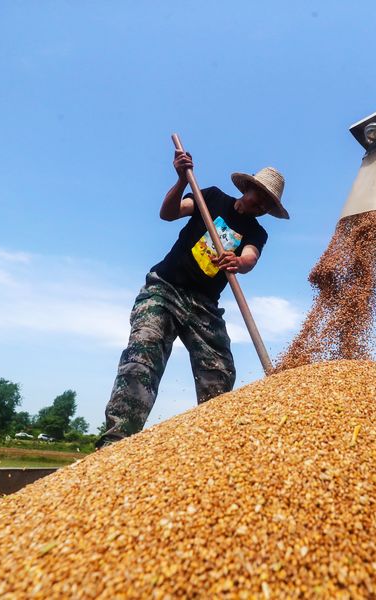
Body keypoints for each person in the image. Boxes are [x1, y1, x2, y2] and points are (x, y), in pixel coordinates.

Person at [97, 150, 288, 448]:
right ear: (247, 188)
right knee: (142, 359)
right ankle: (116, 443)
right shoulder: (209, 198)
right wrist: (179, 180)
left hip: (204, 307)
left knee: (220, 373)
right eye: (259, 196)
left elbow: (250, 257)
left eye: (267, 204)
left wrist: (239, 263)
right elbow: (168, 213)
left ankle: (209, 449)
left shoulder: (256, 232)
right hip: (165, 288)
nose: (261, 205)